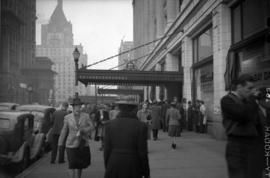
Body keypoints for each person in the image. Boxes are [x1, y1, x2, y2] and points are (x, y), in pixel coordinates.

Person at [220, 74, 263, 178]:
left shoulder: (250, 101)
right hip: (237, 145)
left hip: (254, 143)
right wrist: (253, 99)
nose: (252, 91)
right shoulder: (227, 100)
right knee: (239, 174)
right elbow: (243, 116)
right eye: (249, 88)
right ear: (239, 87)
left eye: (253, 88)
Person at [104, 101, 150, 178]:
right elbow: (143, 152)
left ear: (119, 109)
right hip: (133, 165)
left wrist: (108, 166)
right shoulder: (141, 126)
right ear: (134, 109)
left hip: (114, 163)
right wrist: (146, 172)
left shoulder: (109, 125)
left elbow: (107, 150)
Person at [58, 97, 94, 178]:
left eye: (79, 106)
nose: (78, 107)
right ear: (73, 107)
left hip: (82, 143)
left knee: (79, 165)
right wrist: (60, 143)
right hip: (70, 144)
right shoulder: (67, 117)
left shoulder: (86, 116)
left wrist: (84, 130)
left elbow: (92, 127)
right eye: (77, 106)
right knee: (71, 165)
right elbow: (64, 131)